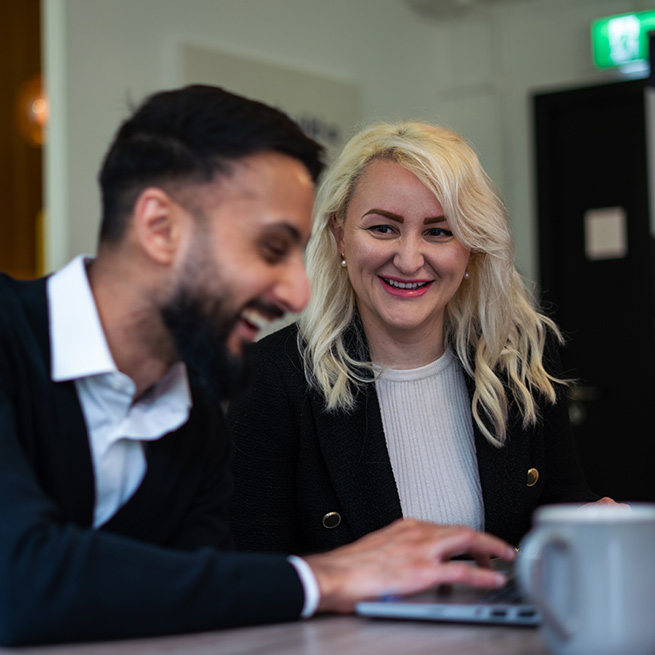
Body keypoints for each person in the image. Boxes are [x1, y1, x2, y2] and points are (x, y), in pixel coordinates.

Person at [0, 87, 517, 647]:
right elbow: (20, 582)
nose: (297, 293)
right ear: (159, 227)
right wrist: (330, 574)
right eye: (270, 248)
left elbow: (207, 603)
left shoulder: (192, 408)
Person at [227, 120, 615, 557]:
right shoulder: (270, 379)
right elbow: (253, 573)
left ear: (471, 246)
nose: (409, 260)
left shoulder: (518, 361)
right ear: (339, 236)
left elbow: (560, 513)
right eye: (383, 229)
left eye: (438, 231)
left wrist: (593, 525)